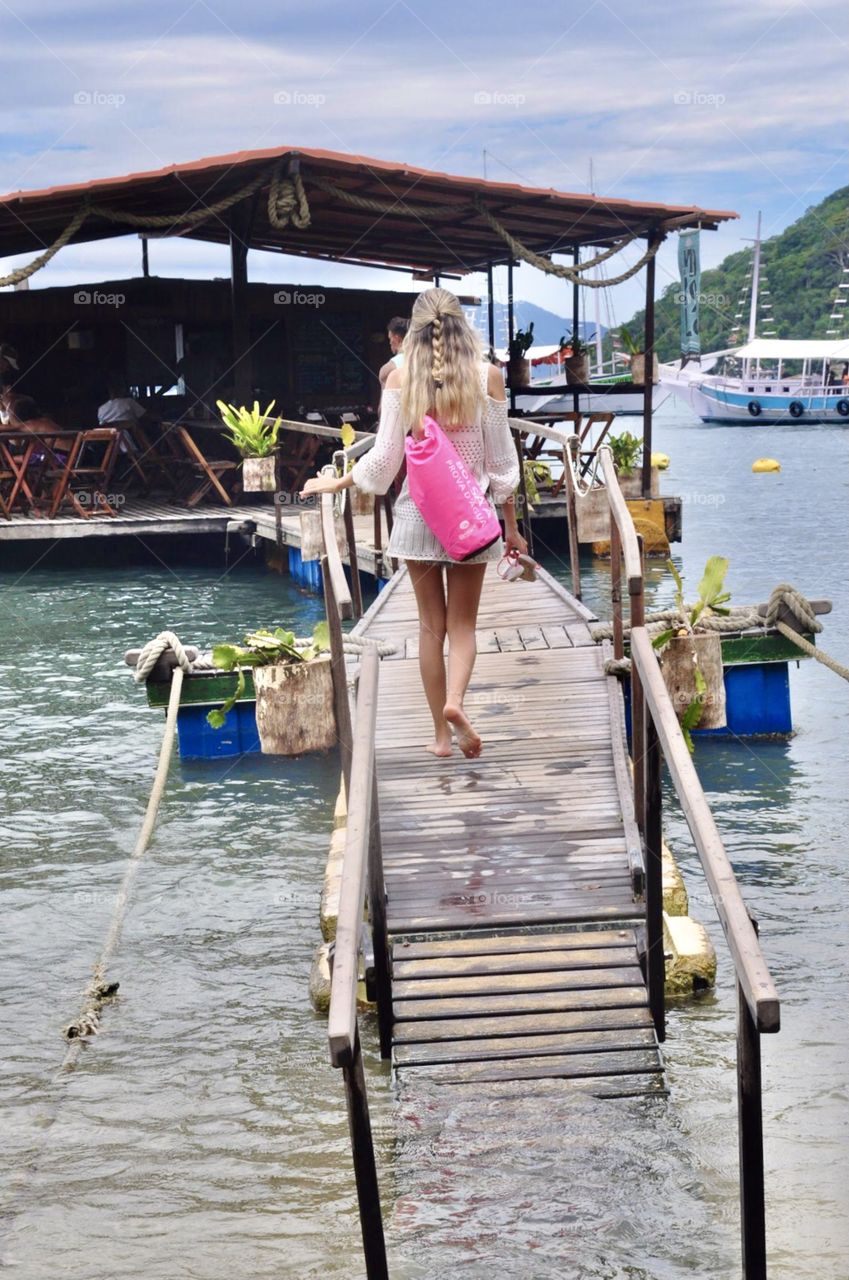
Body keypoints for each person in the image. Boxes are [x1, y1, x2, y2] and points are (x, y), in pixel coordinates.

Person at [302, 287, 524, 760]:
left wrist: (338, 484)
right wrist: (512, 525)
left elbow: (384, 462)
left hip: (419, 519)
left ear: (413, 332)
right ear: (462, 326)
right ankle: (455, 703)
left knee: (430, 628)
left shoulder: (400, 380)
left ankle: (441, 740)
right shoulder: (488, 378)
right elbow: (502, 465)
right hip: (472, 521)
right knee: (464, 626)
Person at [378, 316, 409, 389]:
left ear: (397, 338)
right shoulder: (422, 359)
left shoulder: (388, 368)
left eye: (390, 338)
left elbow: (386, 398)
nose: (389, 343)